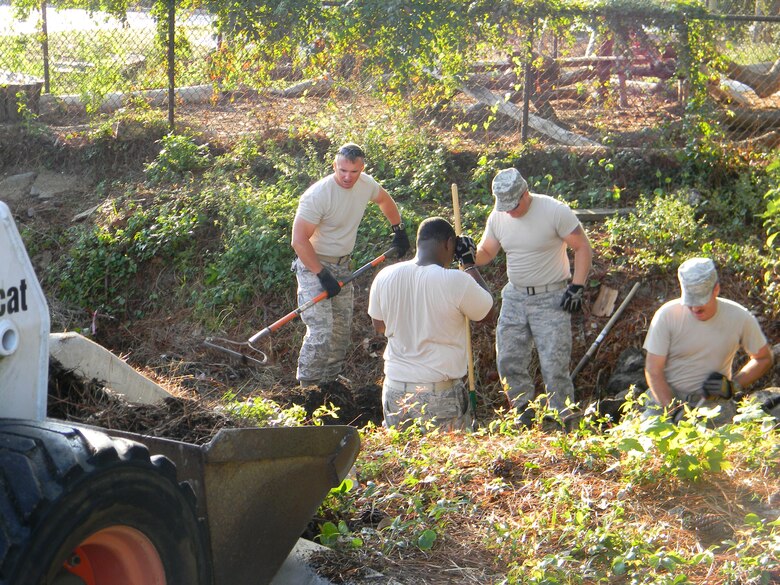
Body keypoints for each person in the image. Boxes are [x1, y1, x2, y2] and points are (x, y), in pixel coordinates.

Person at [471, 168, 593, 423]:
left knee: (554, 363)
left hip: (551, 296)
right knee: (507, 357)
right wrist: (468, 252)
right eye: (504, 207)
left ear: (526, 193)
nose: (510, 211)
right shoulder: (499, 216)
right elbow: (486, 253)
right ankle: (523, 410)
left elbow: (582, 247)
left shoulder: (553, 211)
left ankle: (563, 416)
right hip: (515, 296)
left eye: (513, 205)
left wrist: (577, 286)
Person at [291, 143, 410, 387]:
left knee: (340, 334)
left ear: (362, 169)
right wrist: (321, 274)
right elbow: (299, 240)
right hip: (313, 266)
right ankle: (308, 388)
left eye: (354, 172)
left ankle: (330, 383)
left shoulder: (366, 184)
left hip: (344, 265)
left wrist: (398, 229)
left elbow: (385, 200)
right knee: (321, 332)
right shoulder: (318, 195)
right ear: (334, 165)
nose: (347, 177)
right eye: (342, 170)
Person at [367, 217, 495, 432]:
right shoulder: (455, 280)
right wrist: (468, 264)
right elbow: (488, 313)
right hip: (438, 392)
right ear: (448, 243)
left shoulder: (385, 276)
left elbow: (379, 326)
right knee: (444, 462)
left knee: (403, 461)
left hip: (395, 388)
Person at [643, 257, 773, 420]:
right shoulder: (667, 315)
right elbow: (653, 370)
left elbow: (763, 358)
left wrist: (733, 386)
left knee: (722, 443)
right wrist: (673, 411)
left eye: (701, 301)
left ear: (716, 289)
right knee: (648, 439)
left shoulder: (739, 317)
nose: (695, 307)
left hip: (713, 401)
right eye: (690, 301)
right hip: (666, 395)